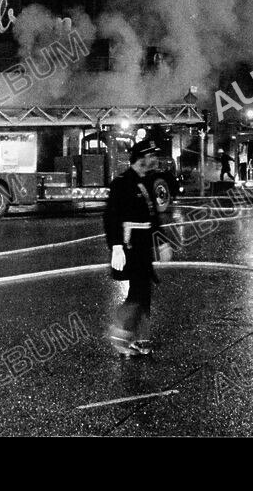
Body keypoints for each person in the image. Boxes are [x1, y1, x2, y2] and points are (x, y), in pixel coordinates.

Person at [105, 139, 171, 358]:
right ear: (141, 157)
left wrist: (161, 241)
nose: (155, 159)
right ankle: (121, 331)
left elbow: (152, 216)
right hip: (130, 244)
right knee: (140, 289)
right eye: (151, 155)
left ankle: (140, 338)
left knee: (143, 290)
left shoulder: (146, 181)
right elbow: (112, 217)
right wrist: (116, 246)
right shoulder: (122, 183)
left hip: (143, 245)